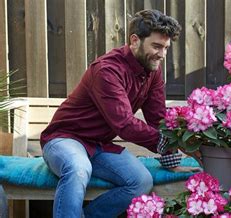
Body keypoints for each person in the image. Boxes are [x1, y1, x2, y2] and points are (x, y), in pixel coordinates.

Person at [40, 9, 200, 217]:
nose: (162, 54)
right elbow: (124, 124)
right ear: (135, 40)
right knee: (78, 168)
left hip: (99, 145)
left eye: (166, 48)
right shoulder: (107, 71)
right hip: (64, 139)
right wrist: (179, 143)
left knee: (140, 181)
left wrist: (171, 159)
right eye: (157, 46)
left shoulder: (153, 70)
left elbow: (158, 118)